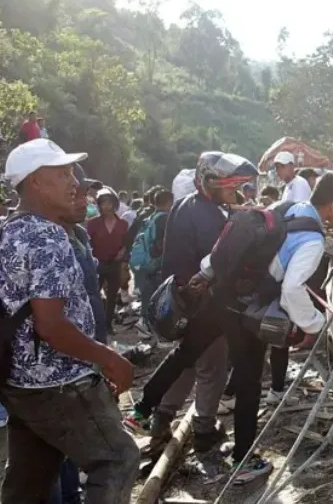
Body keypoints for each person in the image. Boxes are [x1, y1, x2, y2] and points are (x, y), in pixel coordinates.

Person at [0, 138, 139, 503]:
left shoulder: (8, 230)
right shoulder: (47, 236)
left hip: (19, 381)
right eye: (63, 173)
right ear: (36, 182)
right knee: (118, 457)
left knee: (31, 478)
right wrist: (110, 358)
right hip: (59, 382)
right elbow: (52, 325)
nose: (74, 180)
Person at [196, 172, 333, 483]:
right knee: (250, 383)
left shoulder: (288, 208)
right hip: (253, 309)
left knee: (234, 374)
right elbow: (293, 290)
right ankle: (242, 461)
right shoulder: (313, 239)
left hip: (231, 296)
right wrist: (315, 324)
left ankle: (221, 443)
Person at [124, 152, 257, 454]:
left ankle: (154, 415)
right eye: (229, 187)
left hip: (182, 298)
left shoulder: (187, 206)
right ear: (210, 183)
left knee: (184, 360)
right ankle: (205, 430)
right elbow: (223, 261)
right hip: (207, 302)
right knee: (212, 368)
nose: (235, 193)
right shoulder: (211, 217)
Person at [48, 165, 110, 504]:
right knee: (58, 450)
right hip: (60, 367)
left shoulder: (80, 236)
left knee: (80, 440)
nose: (86, 199)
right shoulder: (45, 241)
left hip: (88, 354)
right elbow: (51, 321)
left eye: (87, 192)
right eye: (80, 192)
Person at [86, 188, 129, 334]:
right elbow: (87, 244)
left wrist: (123, 251)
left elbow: (126, 243)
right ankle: (93, 324)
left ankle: (108, 325)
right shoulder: (92, 224)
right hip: (97, 264)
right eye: (103, 203)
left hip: (114, 265)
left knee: (112, 297)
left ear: (114, 204)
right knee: (93, 295)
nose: (106, 206)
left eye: (109, 203)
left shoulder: (123, 224)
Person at [131, 189, 172, 304]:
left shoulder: (150, 217)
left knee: (147, 297)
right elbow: (162, 243)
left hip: (147, 262)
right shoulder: (164, 219)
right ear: (169, 202)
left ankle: (145, 319)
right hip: (157, 264)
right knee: (158, 298)